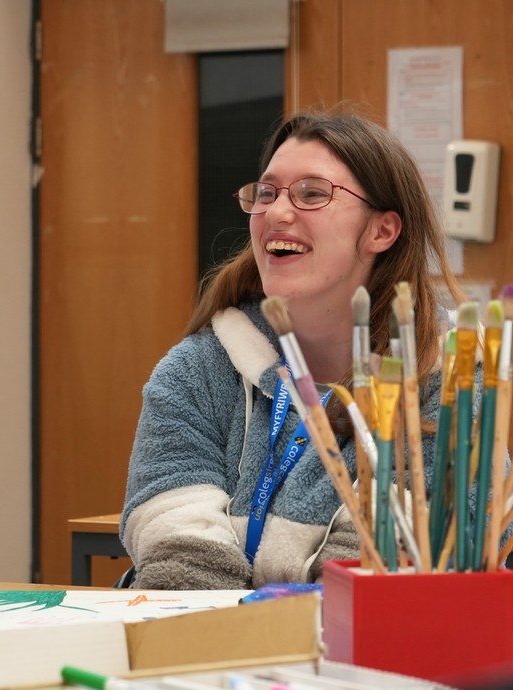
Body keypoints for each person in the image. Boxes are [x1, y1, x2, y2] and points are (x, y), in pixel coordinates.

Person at [119, 108, 489, 590]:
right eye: (266, 193)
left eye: (312, 194)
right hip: (215, 651)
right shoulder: (198, 371)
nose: (275, 212)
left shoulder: (441, 383)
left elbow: (384, 575)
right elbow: (183, 562)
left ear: (382, 231)